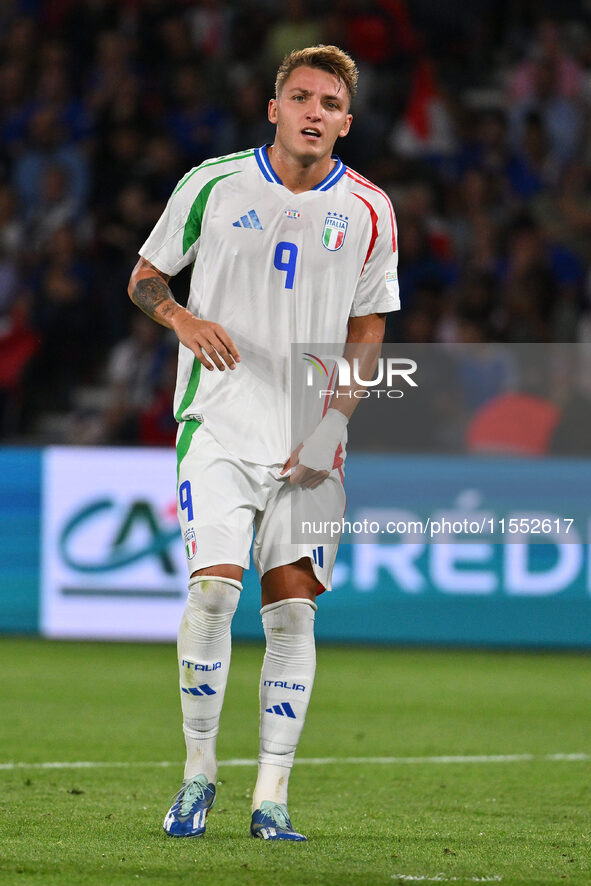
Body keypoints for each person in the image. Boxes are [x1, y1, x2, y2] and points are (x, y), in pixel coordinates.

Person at [127, 44, 399, 842]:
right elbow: (147, 275)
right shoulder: (210, 183)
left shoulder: (371, 208)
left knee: (292, 617)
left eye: (330, 104)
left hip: (311, 439)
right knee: (212, 592)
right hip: (217, 422)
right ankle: (198, 776)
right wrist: (181, 318)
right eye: (302, 97)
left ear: (346, 124)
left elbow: (369, 324)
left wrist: (336, 424)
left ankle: (270, 796)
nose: (315, 112)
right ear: (273, 108)